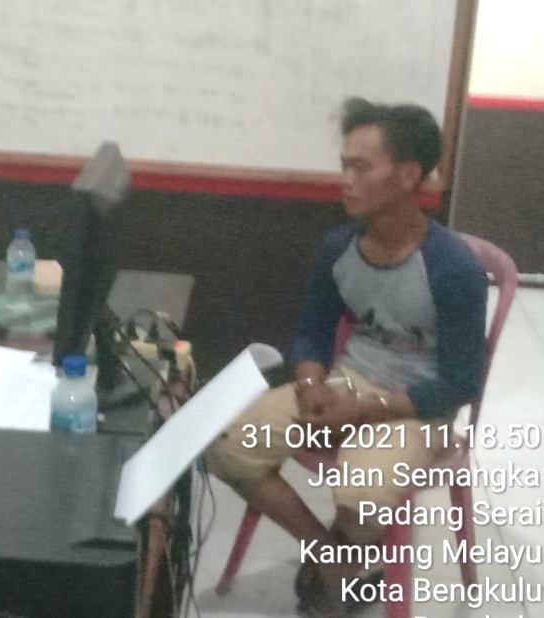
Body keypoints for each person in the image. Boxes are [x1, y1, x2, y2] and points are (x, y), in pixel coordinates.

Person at [204, 98, 486, 617]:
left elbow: (461, 382)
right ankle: (336, 559)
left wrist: (362, 411)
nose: (346, 181)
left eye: (361, 168)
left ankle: (342, 559)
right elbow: (312, 331)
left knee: (363, 498)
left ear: (408, 175)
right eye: (344, 166)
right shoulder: (339, 247)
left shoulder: (452, 268)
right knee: (225, 445)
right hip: (346, 383)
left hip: (415, 405)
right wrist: (312, 385)